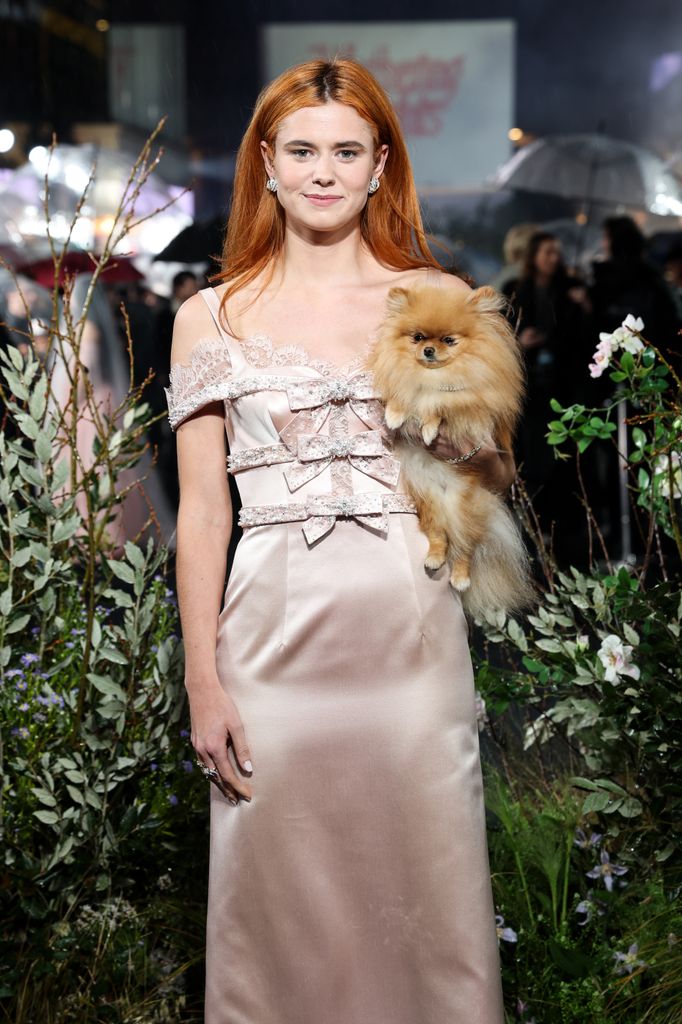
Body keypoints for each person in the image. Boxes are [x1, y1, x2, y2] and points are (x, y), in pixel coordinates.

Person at [165, 58, 514, 1023]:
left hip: (410, 646)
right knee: (279, 909)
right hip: (270, 656)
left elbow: (493, 480)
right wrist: (202, 679)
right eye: (303, 150)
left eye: (347, 151)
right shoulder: (208, 317)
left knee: (425, 894)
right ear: (267, 163)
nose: (324, 171)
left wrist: (462, 443)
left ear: (380, 165)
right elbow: (203, 513)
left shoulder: (436, 297)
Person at [50, 273, 176, 551]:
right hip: (105, 400)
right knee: (110, 470)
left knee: (91, 471)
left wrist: (65, 407)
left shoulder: (86, 329)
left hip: (89, 406)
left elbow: (83, 375)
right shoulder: (94, 326)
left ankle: (101, 536)